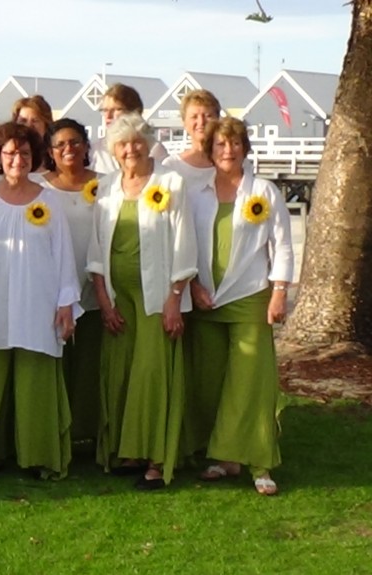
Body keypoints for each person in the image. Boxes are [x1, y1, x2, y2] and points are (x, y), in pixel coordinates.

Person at [0, 122, 79, 477]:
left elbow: (63, 256)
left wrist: (66, 305)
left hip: (38, 303)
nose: (17, 160)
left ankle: (38, 458)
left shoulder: (49, 200)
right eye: (9, 153)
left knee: (35, 383)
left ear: (34, 157)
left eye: (23, 153)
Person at [86, 112, 197, 490]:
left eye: (136, 141)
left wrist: (174, 298)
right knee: (121, 372)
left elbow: (184, 242)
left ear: (148, 142)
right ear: (113, 150)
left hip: (157, 295)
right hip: (119, 295)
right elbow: (97, 246)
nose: (130, 149)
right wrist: (103, 299)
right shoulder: (108, 186)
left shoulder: (171, 182)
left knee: (151, 373)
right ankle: (127, 450)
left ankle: (156, 458)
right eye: (122, 144)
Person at [183, 118, 293, 496]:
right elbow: (187, 247)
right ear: (210, 151)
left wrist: (280, 291)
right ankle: (223, 457)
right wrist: (194, 285)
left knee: (251, 383)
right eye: (219, 145)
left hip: (250, 298)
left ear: (245, 148)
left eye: (234, 144)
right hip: (206, 300)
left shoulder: (264, 192)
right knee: (211, 381)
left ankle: (259, 463)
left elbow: (283, 245)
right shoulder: (197, 194)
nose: (227, 151)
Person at [39, 118, 103, 443]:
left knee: (90, 363)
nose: (68, 149)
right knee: (56, 364)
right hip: (51, 288)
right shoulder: (38, 187)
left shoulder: (106, 184)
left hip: (95, 287)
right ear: (50, 151)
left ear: (86, 146)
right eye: (60, 144)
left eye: (75, 142)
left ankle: (86, 433)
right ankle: (55, 432)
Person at [91, 84, 168, 173]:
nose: (108, 116)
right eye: (105, 110)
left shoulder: (153, 148)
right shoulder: (96, 150)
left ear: (135, 112)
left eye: (116, 109)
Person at [162, 90, 221, 189]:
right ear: (184, 123)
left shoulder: (231, 162)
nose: (201, 122)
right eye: (194, 117)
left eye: (208, 116)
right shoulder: (171, 166)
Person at [12, 95, 53, 177]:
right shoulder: (5, 161)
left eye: (35, 121)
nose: (29, 125)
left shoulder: (55, 159)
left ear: (46, 125)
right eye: (23, 121)